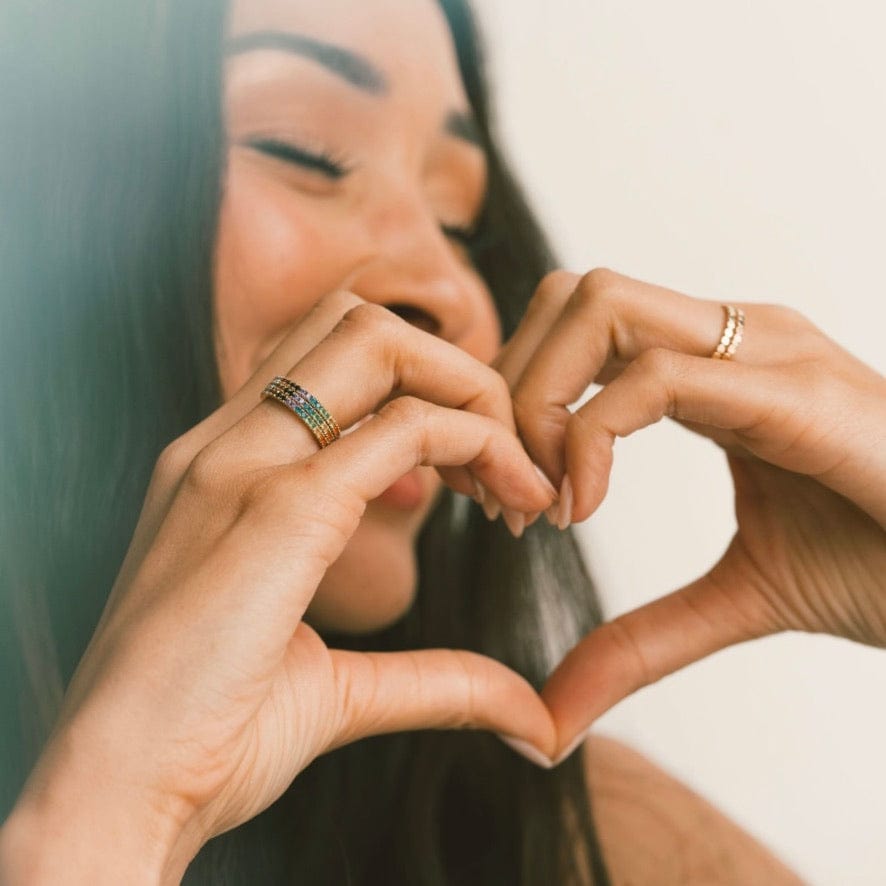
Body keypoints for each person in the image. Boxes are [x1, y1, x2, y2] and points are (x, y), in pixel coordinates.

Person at [0, 0, 883, 883]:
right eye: (305, 150)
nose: (451, 292)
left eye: (461, 223)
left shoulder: (573, 843)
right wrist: (114, 810)